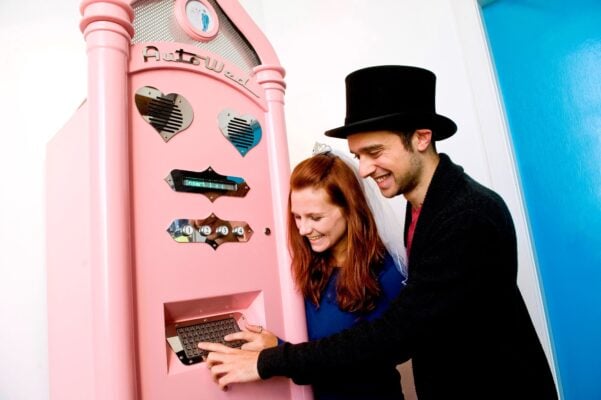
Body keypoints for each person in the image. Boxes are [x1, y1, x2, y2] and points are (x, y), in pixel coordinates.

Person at [199, 65, 558, 399]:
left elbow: (395, 335)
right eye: (358, 155)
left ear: (421, 137)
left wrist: (268, 362)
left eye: (374, 152)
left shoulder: (468, 215)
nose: (366, 169)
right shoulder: (423, 206)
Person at [226, 149, 408, 399]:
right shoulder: (309, 265)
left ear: (349, 209)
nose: (303, 229)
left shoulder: (388, 273)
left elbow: (368, 356)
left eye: (315, 217)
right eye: (297, 217)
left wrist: (275, 355)